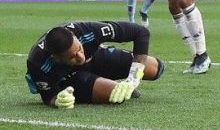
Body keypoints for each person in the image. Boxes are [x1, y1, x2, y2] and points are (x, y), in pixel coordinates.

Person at [25, 21, 163, 108]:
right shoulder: (37, 62)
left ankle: (113, 80)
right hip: (72, 79)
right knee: (114, 94)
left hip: (96, 58)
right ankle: (103, 83)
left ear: (75, 38)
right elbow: (49, 96)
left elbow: (141, 32)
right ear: (56, 58)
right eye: (72, 56)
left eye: (79, 48)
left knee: (155, 68)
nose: (80, 57)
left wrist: (134, 77)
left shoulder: (86, 30)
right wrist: (58, 101)